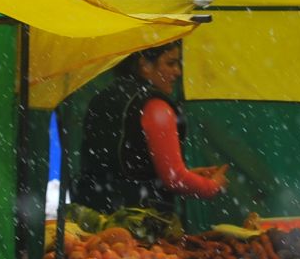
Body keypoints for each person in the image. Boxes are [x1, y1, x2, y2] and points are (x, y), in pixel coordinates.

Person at [75, 42, 228, 216]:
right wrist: (211, 186)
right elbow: (174, 178)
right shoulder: (155, 106)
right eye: (170, 63)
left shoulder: (100, 99)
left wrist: (190, 175)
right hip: (136, 222)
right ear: (145, 65)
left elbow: (124, 169)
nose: (177, 72)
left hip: (91, 214)